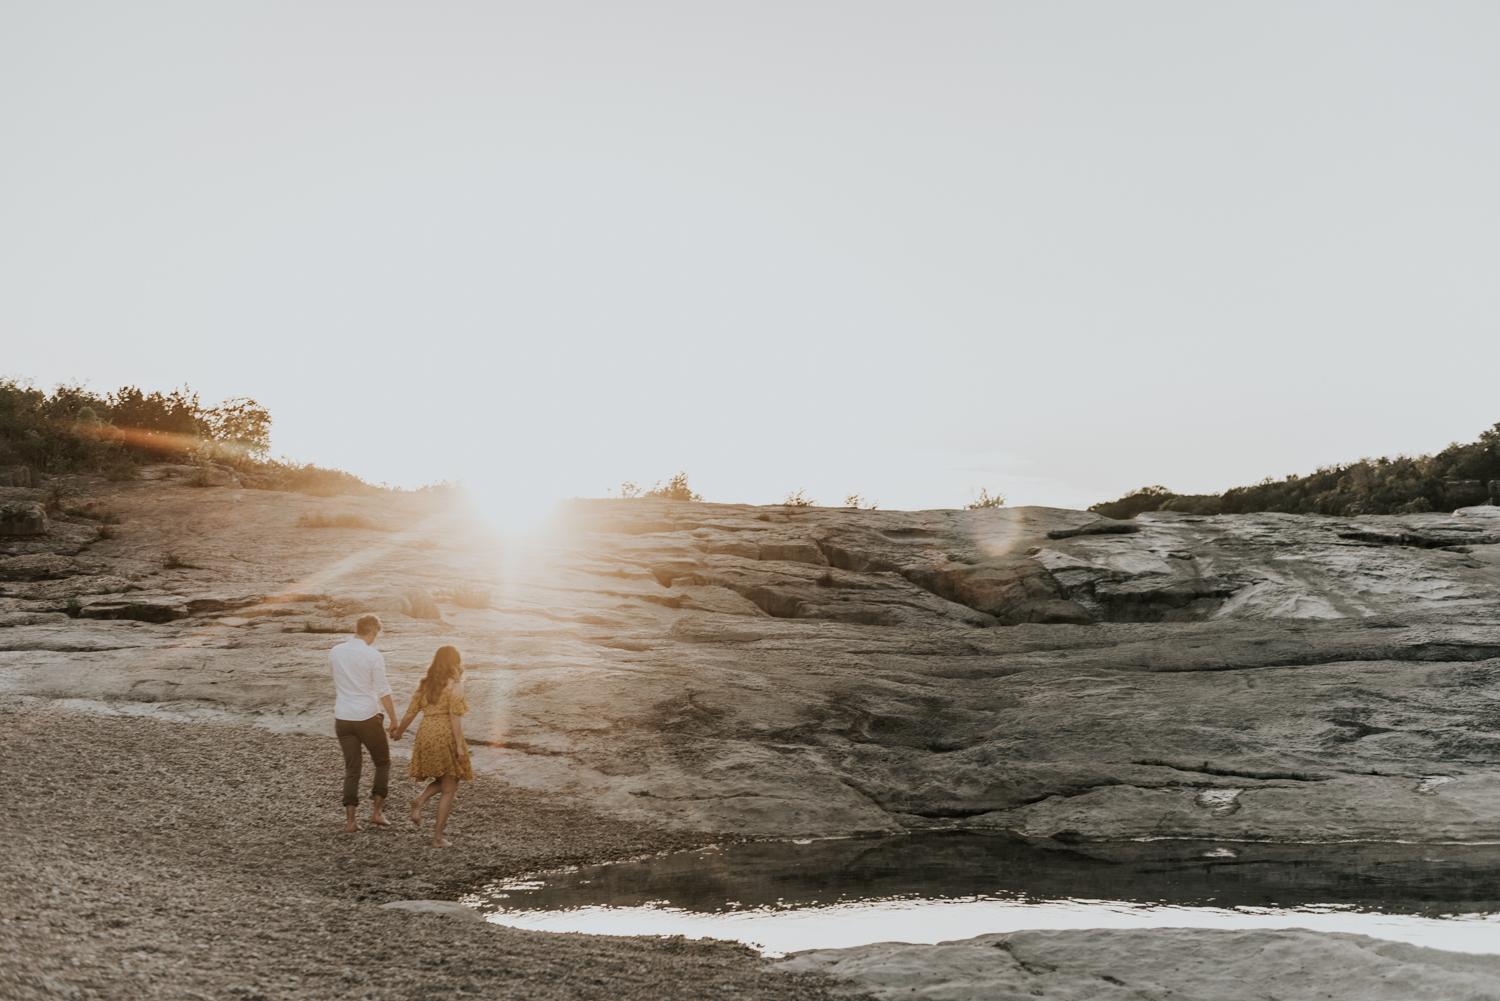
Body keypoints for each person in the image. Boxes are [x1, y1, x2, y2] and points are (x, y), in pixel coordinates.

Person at [391, 645, 472, 847]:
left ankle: (419, 800)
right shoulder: (455, 684)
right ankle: (437, 838)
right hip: (444, 733)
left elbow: (411, 713)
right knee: (450, 786)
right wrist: (458, 746)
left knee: (444, 779)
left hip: (426, 732)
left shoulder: (425, 684)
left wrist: (399, 732)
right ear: (455, 662)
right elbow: (454, 716)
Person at [328, 614, 395, 833]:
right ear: (372, 632)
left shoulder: (335, 651)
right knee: (382, 762)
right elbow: (383, 690)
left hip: (343, 718)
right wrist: (394, 719)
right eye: (376, 635)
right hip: (367, 717)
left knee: (352, 768)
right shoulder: (373, 655)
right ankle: (376, 813)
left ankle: (351, 822)